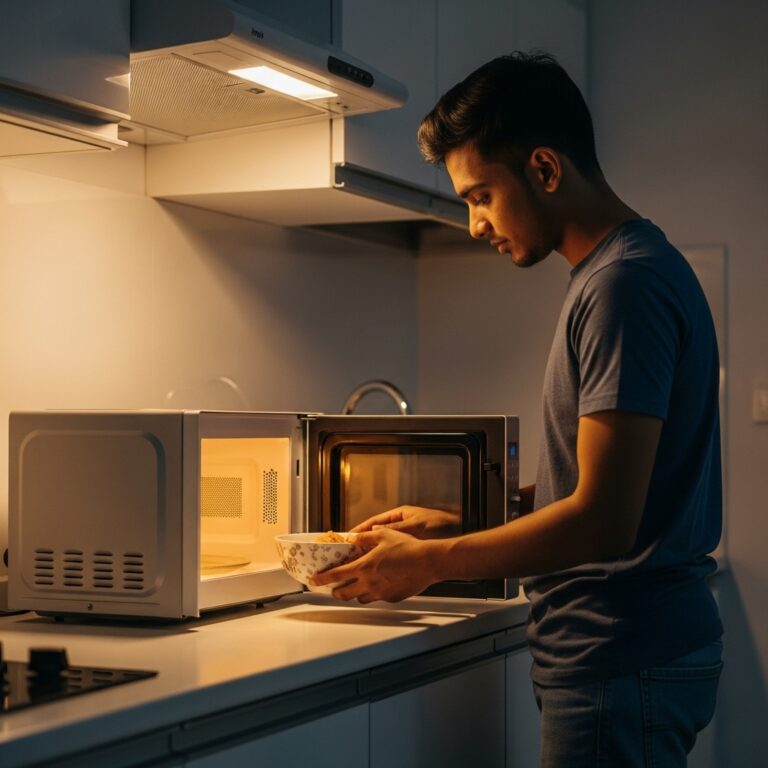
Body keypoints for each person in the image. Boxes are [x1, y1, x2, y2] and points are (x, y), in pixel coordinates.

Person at [311, 51, 723, 767]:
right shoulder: (621, 274)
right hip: (628, 653)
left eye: (479, 197)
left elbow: (604, 520)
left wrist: (432, 562)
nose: (473, 224)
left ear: (544, 169)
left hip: (619, 655)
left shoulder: (622, 287)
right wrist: (475, 514)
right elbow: (605, 490)